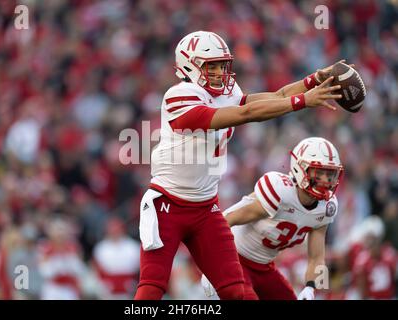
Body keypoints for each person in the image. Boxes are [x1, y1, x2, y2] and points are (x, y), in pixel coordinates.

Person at [135, 30, 343, 300]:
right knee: (152, 288)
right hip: (167, 203)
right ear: (189, 65)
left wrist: (312, 79)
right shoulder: (179, 96)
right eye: (212, 66)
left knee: (236, 292)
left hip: (205, 208)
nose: (221, 72)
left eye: (223, 65)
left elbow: (275, 95)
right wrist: (302, 101)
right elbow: (246, 114)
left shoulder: (226, 91)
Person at [201, 137, 344, 300]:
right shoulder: (280, 192)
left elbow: (317, 257)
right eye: (319, 173)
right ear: (300, 168)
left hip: (264, 268)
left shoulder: (326, 208)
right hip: (234, 259)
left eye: (330, 174)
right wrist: (212, 262)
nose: (326, 180)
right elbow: (226, 220)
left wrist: (312, 288)